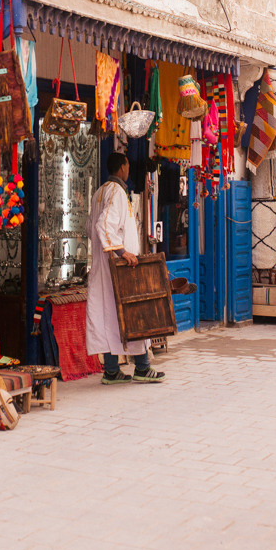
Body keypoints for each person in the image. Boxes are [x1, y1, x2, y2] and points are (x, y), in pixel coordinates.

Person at [86, 152, 165, 384]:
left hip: (105, 267)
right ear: (122, 167)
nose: (129, 169)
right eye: (128, 165)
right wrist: (122, 252)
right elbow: (103, 225)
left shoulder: (100, 192)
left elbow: (91, 228)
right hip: (120, 267)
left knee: (110, 315)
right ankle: (142, 367)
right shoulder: (117, 192)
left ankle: (111, 370)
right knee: (134, 313)